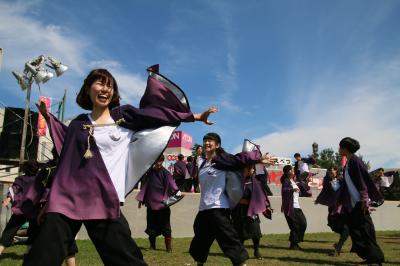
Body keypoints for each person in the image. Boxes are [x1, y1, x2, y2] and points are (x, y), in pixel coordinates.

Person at [23, 65, 218, 266]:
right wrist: (50, 201)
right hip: (67, 201)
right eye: (100, 83)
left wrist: (195, 117)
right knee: (40, 259)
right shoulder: (77, 125)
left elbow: (159, 114)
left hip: (104, 199)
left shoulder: (123, 117)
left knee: (128, 261)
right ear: (88, 89)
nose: (106, 89)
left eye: (110, 86)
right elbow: (66, 163)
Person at [189, 133, 276, 266]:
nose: (207, 143)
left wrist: (258, 160)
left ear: (217, 145)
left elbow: (239, 159)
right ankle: (199, 263)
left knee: (228, 239)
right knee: (200, 239)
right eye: (205, 140)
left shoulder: (223, 160)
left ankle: (241, 263)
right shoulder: (201, 162)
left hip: (219, 207)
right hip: (204, 208)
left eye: (210, 141)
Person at [338, 137, 384, 265]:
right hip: (353, 204)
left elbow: (362, 181)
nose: (339, 149)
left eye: (340, 146)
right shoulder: (348, 163)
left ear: (345, 148)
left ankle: (376, 258)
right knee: (356, 231)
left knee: (365, 231)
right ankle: (370, 257)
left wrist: (364, 199)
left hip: (361, 203)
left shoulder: (355, 161)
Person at [136, 155, 181, 252]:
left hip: (162, 206)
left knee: (166, 227)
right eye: (156, 161)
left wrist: (176, 194)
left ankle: (168, 248)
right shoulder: (150, 172)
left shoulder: (166, 173)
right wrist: (141, 200)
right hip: (151, 205)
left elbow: (173, 186)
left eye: (160, 161)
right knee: (151, 227)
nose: (158, 163)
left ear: (162, 161)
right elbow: (145, 186)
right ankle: (152, 246)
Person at [232, 163, 272, 260]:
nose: (252, 170)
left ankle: (256, 251)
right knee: (240, 232)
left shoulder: (256, 182)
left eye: (253, 169)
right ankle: (240, 252)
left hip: (252, 210)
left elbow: (262, 196)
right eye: (250, 169)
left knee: (255, 231)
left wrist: (267, 206)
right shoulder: (237, 181)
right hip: (239, 211)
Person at [0, 160, 39, 257]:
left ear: (25, 168)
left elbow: (14, 190)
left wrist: (8, 199)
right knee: (33, 232)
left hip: (21, 210)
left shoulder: (20, 179)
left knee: (9, 231)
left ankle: (0, 250)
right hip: (33, 210)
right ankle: (28, 253)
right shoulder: (39, 180)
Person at [315, 166, 349, 256]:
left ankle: (338, 247)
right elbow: (324, 191)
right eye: (329, 171)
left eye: (333, 170)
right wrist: (318, 199)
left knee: (346, 228)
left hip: (342, 208)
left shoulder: (341, 180)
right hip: (332, 206)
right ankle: (343, 238)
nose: (331, 172)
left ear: (336, 171)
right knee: (332, 224)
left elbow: (343, 191)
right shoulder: (328, 181)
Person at [281, 165, 307, 250]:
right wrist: (292, 190)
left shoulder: (293, 181)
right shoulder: (286, 181)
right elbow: (284, 190)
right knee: (295, 226)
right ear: (287, 172)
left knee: (303, 223)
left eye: (293, 169)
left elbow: (305, 190)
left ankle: (295, 242)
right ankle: (294, 245)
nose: (293, 171)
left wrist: (305, 183)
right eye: (291, 170)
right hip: (290, 207)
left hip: (297, 206)